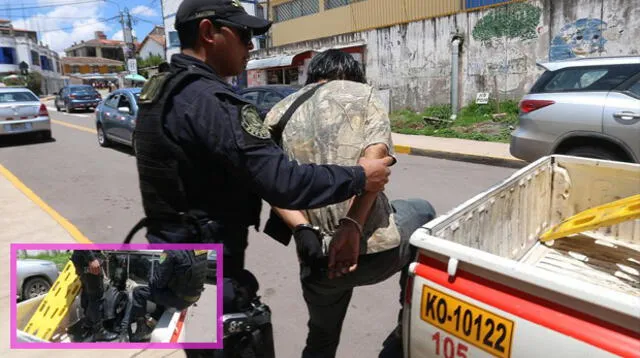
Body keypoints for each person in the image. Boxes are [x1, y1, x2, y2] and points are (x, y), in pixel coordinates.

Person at [126, 0, 394, 355]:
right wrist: (361, 176)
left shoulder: (161, 91)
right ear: (209, 33)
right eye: (243, 34)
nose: (251, 46)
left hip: (175, 264)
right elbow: (283, 181)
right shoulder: (212, 102)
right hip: (210, 277)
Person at [263, 49, 437, 358]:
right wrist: (352, 226)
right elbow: (375, 163)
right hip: (373, 253)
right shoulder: (364, 95)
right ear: (352, 74)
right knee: (422, 211)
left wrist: (302, 228)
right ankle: (406, 320)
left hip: (318, 260)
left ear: (312, 75)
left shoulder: (279, 110)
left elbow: (269, 181)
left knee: (321, 339)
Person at [127, 250, 208, 342]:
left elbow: (157, 283)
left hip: (179, 299)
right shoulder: (201, 249)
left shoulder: (170, 251)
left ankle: (141, 329)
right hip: (194, 296)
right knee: (162, 290)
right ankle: (156, 316)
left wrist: (150, 271)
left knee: (138, 292)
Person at [70, 250, 118, 342]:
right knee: (96, 296)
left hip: (81, 258)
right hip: (87, 258)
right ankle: (99, 331)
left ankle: (88, 323)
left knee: (88, 293)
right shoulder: (89, 257)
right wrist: (91, 258)